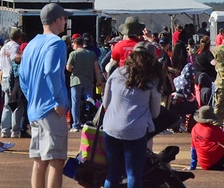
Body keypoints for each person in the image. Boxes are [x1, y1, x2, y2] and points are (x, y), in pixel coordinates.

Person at [18, 2, 69, 188]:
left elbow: (22, 77)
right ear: (57, 20)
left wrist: (32, 97)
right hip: (50, 108)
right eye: (64, 18)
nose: (65, 22)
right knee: (56, 159)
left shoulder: (31, 44)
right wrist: (58, 100)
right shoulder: (56, 43)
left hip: (35, 109)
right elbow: (51, 71)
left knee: (39, 159)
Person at [100, 45, 162, 188]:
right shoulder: (152, 80)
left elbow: (105, 103)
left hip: (111, 128)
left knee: (112, 172)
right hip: (135, 131)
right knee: (133, 173)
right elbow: (155, 113)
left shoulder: (116, 73)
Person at [66, 35, 102, 132]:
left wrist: (74, 69)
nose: (72, 45)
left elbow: (68, 68)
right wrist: (99, 80)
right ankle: (89, 122)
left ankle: (76, 125)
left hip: (76, 81)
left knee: (75, 103)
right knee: (90, 102)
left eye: (73, 43)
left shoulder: (73, 54)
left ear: (76, 44)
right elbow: (96, 69)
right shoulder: (92, 54)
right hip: (88, 81)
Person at [0, 28, 24, 139]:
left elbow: (0, 66)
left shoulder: (3, 47)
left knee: (7, 105)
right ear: (18, 37)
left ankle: (4, 130)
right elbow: (15, 59)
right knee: (16, 104)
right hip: (12, 78)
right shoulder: (16, 47)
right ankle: (15, 130)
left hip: (4, 77)